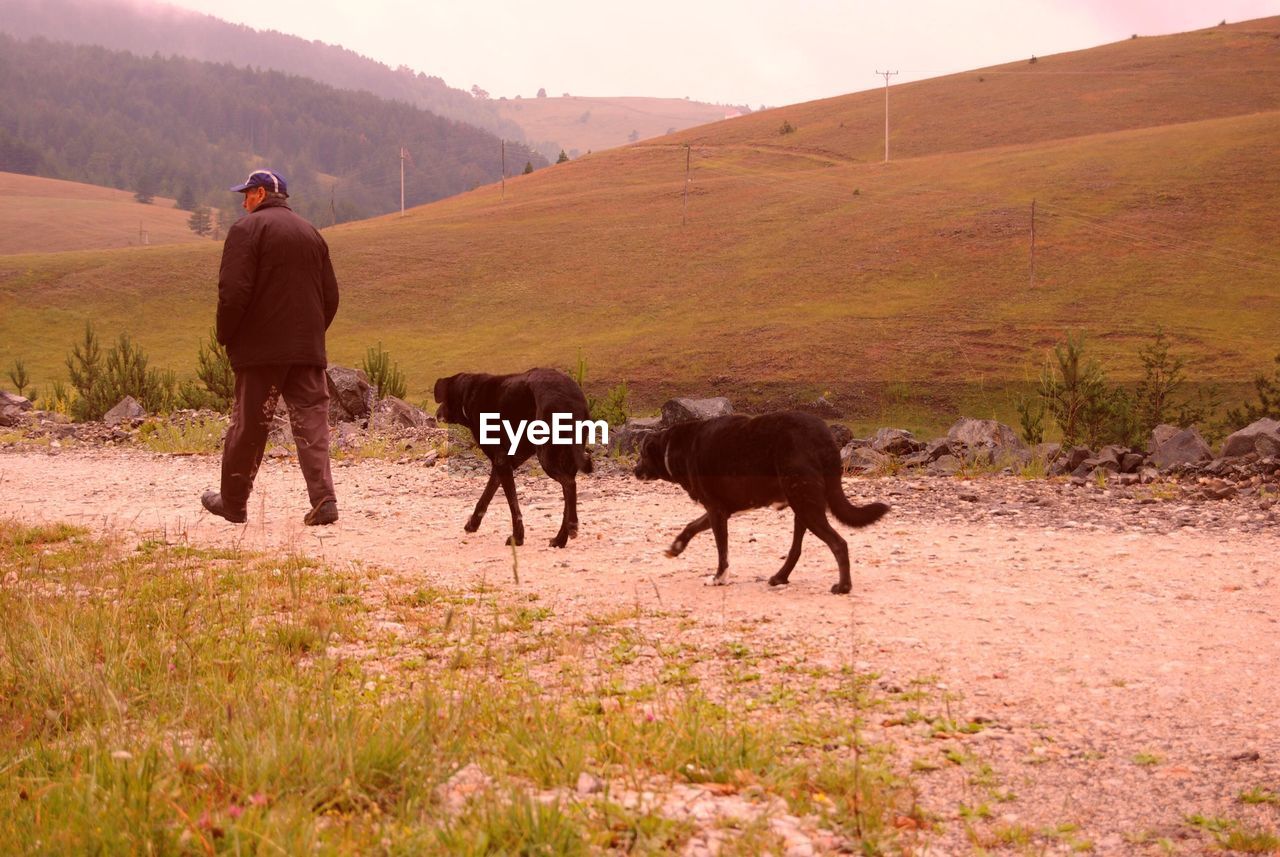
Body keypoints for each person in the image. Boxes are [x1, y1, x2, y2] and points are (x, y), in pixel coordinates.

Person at [201, 169, 340, 526]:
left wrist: (226, 335)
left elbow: (233, 293)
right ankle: (324, 499)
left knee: (250, 424)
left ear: (260, 194)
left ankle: (233, 503)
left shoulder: (246, 230)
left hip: (261, 351)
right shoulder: (311, 234)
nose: (243, 201)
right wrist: (309, 334)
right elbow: (331, 297)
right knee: (312, 422)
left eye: (246, 194)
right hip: (307, 350)